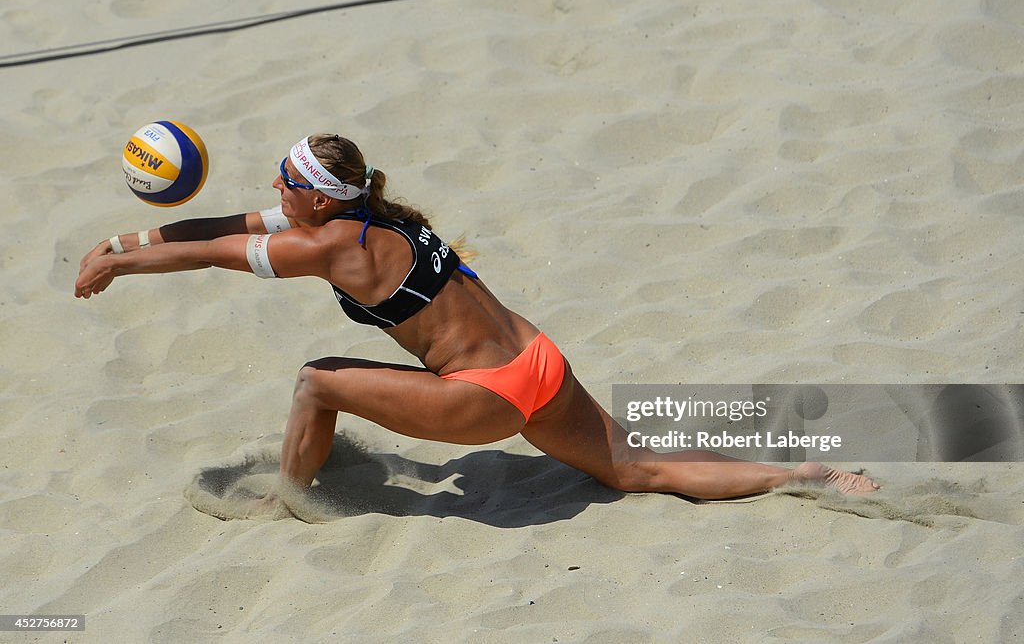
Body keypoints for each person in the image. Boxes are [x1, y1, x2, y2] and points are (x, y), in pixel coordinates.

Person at [76, 133, 878, 515]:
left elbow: (219, 251)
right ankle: (805, 472)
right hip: (538, 358)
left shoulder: (325, 249)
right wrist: (128, 237)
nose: (274, 188)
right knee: (639, 469)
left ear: (318, 200)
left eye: (286, 182)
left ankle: (287, 499)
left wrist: (119, 265)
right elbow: (233, 222)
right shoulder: (373, 216)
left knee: (316, 381)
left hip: (488, 395)